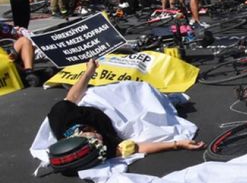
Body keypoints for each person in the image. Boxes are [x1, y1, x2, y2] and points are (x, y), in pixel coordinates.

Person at [47, 59, 204, 162]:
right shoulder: (103, 149)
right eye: (99, 143)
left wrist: (90, 70)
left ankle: (166, 99)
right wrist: (177, 144)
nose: (99, 139)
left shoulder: (61, 117)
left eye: (95, 138)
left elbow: (74, 95)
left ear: (78, 136)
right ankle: (169, 103)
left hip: (99, 103)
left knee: (135, 88)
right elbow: (138, 147)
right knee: (151, 115)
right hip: (118, 121)